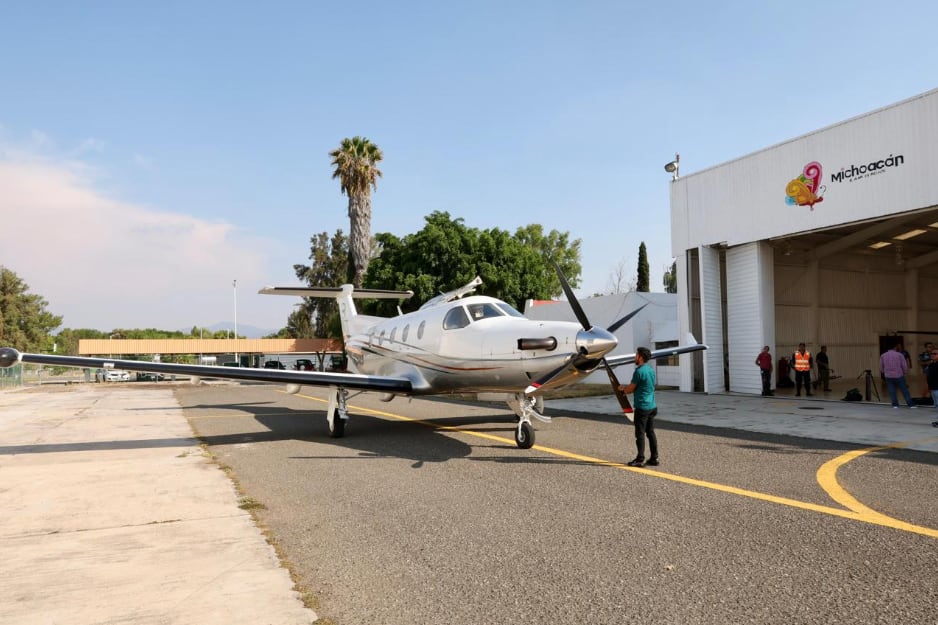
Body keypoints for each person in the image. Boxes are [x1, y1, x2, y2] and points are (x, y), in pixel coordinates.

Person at [618, 347, 658, 467]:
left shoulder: (639, 372)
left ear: (640, 357)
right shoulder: (650, 370)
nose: (635, 357)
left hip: (642, 407)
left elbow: (630, 389)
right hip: (652, 406)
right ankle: (654, 458)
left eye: (636, 355)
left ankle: (640, 459)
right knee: (650, 432)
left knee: (640, 434)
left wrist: (622, 389)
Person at [880, 344, 916, 409]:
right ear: (894, 347)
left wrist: (883, 372)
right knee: (904, 390)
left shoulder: (883, 355)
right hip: (899, 375)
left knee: (891, 390)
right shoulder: (899, 355)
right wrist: (905, 372)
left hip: (888, 376)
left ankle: (895, 405)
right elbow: (904, 365)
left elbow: (881, 366)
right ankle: (911, 404)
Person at [926, 349, 938, 426]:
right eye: (931, 353)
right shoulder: (932, 364)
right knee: (936, 404)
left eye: (935, 353)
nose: (932, 355)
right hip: (933, 387)